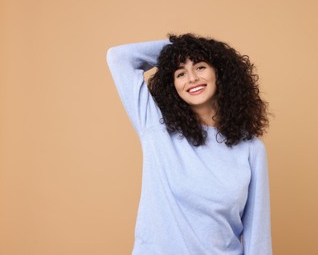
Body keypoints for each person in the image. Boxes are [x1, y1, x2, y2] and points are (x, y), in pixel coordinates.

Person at [106, 33, 272, 255]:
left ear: (219, 72)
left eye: (201, 67)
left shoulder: (250, 148)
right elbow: (119, 57)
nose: (192, 78)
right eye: (180, 73)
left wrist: (211, 52)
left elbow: (257, 234)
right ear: (172, 84)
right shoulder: (156, 127)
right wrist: (184, 47)